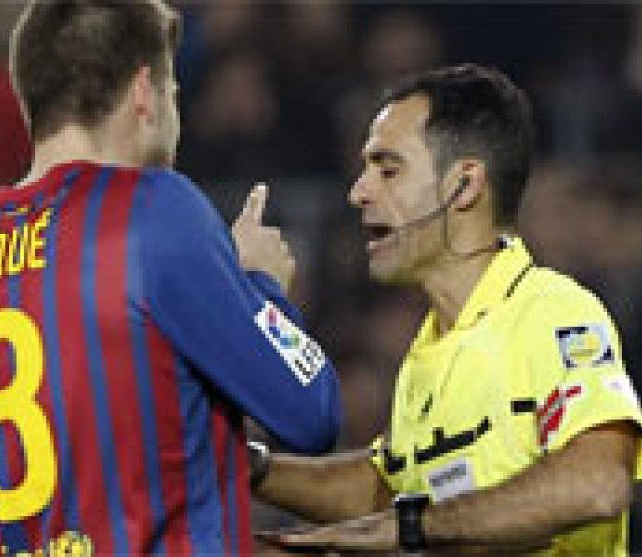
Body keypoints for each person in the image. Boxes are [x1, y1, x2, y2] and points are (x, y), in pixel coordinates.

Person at [0, 1, 341, 555]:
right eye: (173, 94)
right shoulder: (156, 213)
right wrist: (260, 287)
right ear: (145, 91)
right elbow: (312, 413)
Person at [256, 64, 642, 555]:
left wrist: (412, 527)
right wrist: (251, 468)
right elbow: (387, 491)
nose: (359, 192)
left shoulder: (551, 312)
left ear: (464, 185)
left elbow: (597, 483)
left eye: (388, 169)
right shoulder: (427, 353)